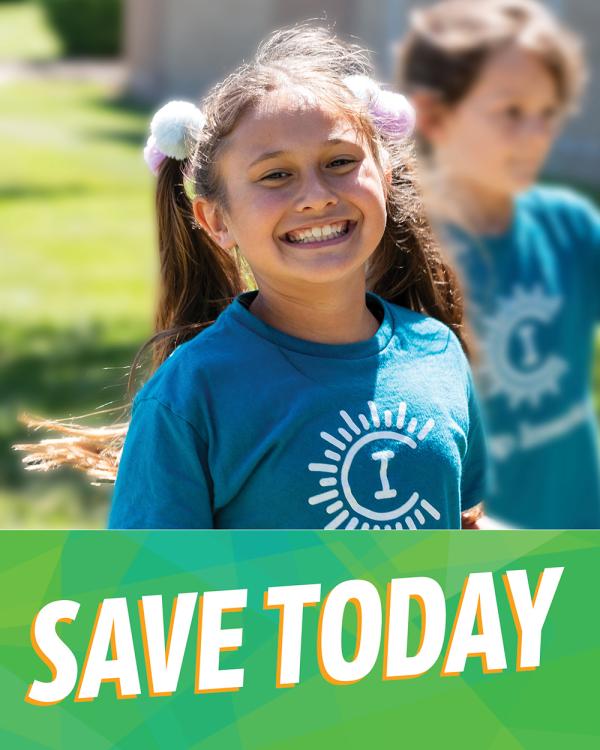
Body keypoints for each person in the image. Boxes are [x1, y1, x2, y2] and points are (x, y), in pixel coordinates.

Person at [19, 26, 488, 530]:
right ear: (216, 221)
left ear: (385, 176)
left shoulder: (436, 352)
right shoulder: (193, 392)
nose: (316, 195)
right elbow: (150, 593)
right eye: (275, 175)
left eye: (340, 162)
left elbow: (463, 526)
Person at [397, 0, 600, 528]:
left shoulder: (570, 228)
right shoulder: (394, 253)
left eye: (547, 114)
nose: (536, 135)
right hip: (462, 565)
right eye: (511, 112)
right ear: (436, 115)